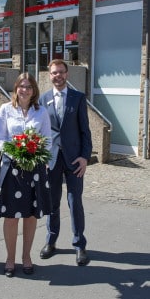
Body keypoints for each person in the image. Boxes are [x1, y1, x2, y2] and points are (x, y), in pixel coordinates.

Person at [0, 73, 52, 277]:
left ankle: (26, 257)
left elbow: (48, 140)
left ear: (34, 90)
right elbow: (0, 139)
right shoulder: (5, 109)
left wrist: (36, 155)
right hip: (12, 169)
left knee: (30, 215)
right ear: (16, 88)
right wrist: (16, 153)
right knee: (11, 217)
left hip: (34, 170)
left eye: (29, 87)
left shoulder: (41, 111)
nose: (25, 90)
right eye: (21, 86)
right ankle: (10, 258)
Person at [39, 59, 92, 266]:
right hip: (51, 160)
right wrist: (42, 156)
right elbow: (41, 131)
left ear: (67, 74)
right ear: (49, 75)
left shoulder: (78, 98)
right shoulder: (43, 99)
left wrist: (85, 157)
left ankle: (79, 245)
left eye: (61, 72)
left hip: (74, 159)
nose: (58, 76)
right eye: (54, 73)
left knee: (74, 202)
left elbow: (85, 130)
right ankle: (51, 241)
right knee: (52, 203)